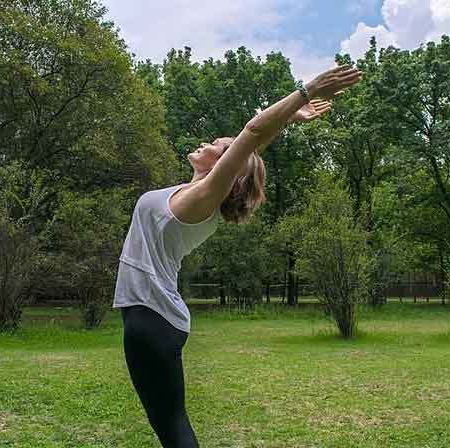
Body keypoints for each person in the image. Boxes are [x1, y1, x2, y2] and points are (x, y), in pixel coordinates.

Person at [113, 64, 363, 447]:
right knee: (171, 426)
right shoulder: (197, 192)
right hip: (154, 318)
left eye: (221, 146)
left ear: (225, 168)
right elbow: (252, 146)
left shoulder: (202, 200)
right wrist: (292, 118)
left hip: (152, 320)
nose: (211, 141)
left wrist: (307, 90)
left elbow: (251, 136)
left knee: (173, 431)